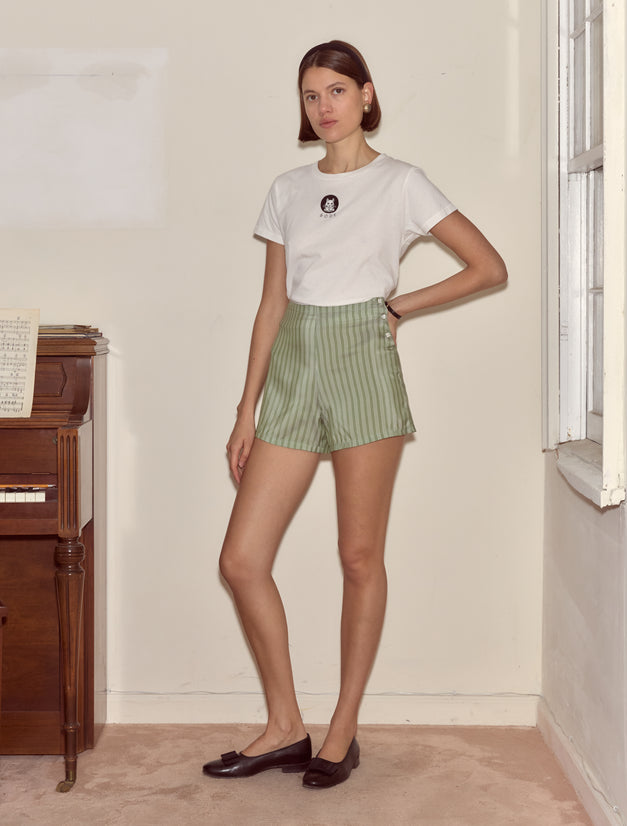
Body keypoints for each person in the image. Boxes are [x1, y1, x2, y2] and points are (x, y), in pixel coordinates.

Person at [202, 40, 507, 790]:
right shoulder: (287, 189)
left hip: (363, 362)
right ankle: (285, 727)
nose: (324, 106)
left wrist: (398, 305)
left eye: (337, 90)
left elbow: (488, 266)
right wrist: (248, 408)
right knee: (241, 559)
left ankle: (342, 729)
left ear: (366, 96)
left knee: (358, 556)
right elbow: (272, 301)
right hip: (297, 366)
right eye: (311, 95)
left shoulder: (402, 183)